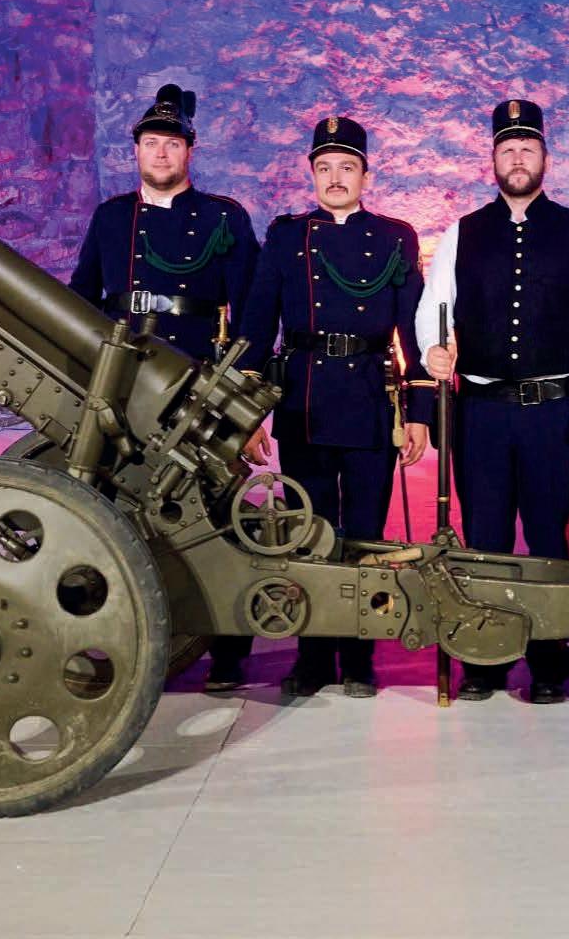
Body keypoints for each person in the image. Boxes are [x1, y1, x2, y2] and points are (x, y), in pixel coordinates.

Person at [417, 99, 569, 704]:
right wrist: (432, 349)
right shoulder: (464, 231)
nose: (517, 158)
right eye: (508, 149)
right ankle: (487, 659)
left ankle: (550, 660)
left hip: (553, 411)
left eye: (527, 148)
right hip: (480, 410)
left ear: (545, 158)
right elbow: (433, 304)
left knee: (549, 535)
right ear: (494, 159)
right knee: (484, 536)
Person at [68, 82, 259, 692]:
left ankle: (228, 649)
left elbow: (251, 309)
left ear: (189, 152)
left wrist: (244, 389)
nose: (161, 152)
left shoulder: (224, 217)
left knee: (215, 508)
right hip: (125, 378)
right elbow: (82, 297)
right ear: (137, 151)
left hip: (196, 376)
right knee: (114, 500)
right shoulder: (112, 217)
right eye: (151, 142)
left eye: (172, 144)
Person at [240, 116, 432, 699]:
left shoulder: (395, 237)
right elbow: (257, 324)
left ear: (366, 175)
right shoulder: (286, 236)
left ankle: (360, 658)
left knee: (366, 537)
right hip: (305, 400)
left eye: (346, 167)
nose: (335, 178)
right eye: (324, 168)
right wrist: (247, 413)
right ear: (312, 175)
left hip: (371, 401)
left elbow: (413, 330)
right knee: (309, 533)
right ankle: (313, 656)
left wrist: (419, 411)